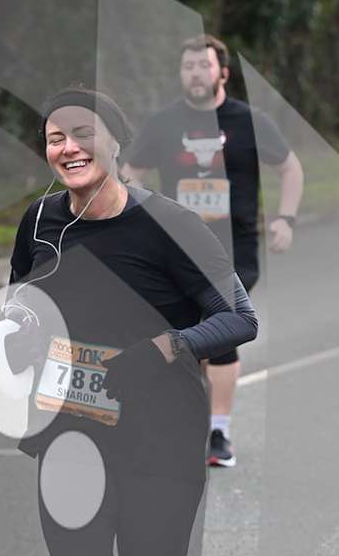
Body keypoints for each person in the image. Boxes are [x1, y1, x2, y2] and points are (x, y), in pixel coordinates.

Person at [2, 86, 257, 556]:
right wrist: (14, 354)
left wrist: (166, 347)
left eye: (82, 133)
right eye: (55, 137)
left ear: (114, 142)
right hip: (70, 437)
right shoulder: (41, 223)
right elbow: (19, 306)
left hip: (160, 438)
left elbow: (239, 318)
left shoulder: (171, 226)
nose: (68, 148)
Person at [123, 34, 303, 467]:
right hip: (176, 250)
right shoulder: (164, 123)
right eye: (187, 66)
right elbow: (130, 172)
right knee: (193, 334)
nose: (195, 74)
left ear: (222, 72)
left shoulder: (249, 120)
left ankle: (218, 433)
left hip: (234, 249)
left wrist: (285, 218)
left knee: (220, 327)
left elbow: (290, 168)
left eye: (203, 65)